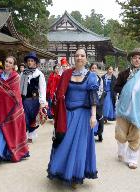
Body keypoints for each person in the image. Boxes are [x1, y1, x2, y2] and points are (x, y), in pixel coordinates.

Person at [47, 49, 98, 188]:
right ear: (73, 58)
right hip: (67, 115)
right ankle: (61, 170)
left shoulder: (91, 76)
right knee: (64, 142)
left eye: (82, 55)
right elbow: (60, 93)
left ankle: (75, 175)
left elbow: (93, 97)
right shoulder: (66, 74)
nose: (79, 57)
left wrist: (93, 116)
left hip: (83, 115)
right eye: (77, 55)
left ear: (86, 58)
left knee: (79, 146)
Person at [114, 48, 140, 169]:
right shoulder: (123, 74)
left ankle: (133, 158)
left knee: (136, 133)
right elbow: (116, 88)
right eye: (135, 58)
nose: (137, 60)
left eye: (139, 58)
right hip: (124, 108)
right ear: (131, 59)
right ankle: (121, 150)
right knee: (121, 133)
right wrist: (128, 89)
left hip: (139, 109)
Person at [20, 52, 47, 143]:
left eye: (32, 61)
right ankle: (24, 136)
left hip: (34, 101)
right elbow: (19, 87)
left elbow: (42, 88)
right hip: (24, 100)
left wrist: (42, 102)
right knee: (24, 118)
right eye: (28, 61)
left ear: (35, 62)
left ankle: (31, 136)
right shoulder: (23, 73)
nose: (30, 62)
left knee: (33, 119)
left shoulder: (39, 74)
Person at [89, 63, 104, 142]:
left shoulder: (100, 79)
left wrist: (96, 98)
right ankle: (90, 134)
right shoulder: (87, 78)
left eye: (95, 68)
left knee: (100, 117)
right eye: (92, 68)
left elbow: (101, 90)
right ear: (90, 69)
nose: (94, 69)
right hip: (89, 101)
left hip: (98, 101)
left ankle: (99, 133)